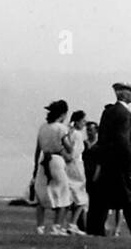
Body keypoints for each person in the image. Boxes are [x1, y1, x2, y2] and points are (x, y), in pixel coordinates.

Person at [85, 83, 131, 239]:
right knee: (129, 197)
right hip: (120, 162)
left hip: (107, 161)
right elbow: (123, 139)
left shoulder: (109, 112)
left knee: (101, 198)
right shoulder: (124, 114)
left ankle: (94, 229)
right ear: (124, 95)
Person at [32, 101, 74, 235]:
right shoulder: (61, 128)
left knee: (42, 193)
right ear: (63, 114)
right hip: (56, 159)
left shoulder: (43, 127)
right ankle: (57, 226)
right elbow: (69, 148)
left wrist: (35, 166)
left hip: (44, 159)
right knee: (63, 192)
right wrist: (70, 134)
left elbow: (38, 149)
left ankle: (40, 226)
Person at [62, 110, 89, 234]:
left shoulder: (67, 132)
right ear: (78, 121)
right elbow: (75, 152)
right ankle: (72, 224)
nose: (85, 124)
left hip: (66, 165)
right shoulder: (77, 135)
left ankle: (62, 224)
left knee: (68, 196)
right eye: (83, 121)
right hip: (76, 165)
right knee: (81, 197)